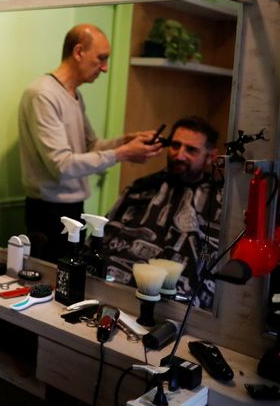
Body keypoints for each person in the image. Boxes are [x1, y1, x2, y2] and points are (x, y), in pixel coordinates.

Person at [18, 24, 162, 263]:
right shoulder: (42, 94)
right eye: (102, 58)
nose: (105, 68)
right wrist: (122, 153)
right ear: (78, 52)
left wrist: (127, 140)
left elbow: (90, 146)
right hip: (49, 212)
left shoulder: (73, 94)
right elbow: (62, 165)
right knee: (51, 285)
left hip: (72, 207)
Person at [104, 116, 222, 309]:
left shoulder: (220, 201)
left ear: (211, 156)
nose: (179, 155)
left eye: (191, 150)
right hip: (120, 294)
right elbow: (104, 236)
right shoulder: (142, 188)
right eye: (175, 145)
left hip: (182, 309)